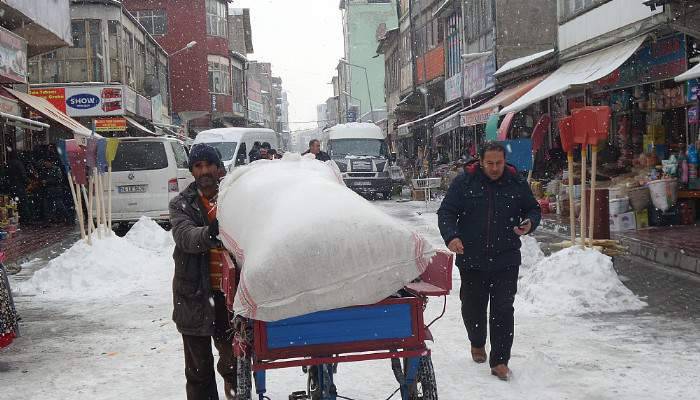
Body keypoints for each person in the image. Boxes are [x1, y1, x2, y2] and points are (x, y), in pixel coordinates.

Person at [437, 141, 541, 381]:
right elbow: (447, 212)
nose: (495, 168)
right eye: (490, 164)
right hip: (472, 258)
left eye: (499, 163)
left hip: (506, 258)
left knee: (503, 309)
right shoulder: (465, 182)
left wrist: (530, 223)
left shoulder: (516, 183)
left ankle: (500, 360)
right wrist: (452, 237)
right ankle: (477, 341)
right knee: (473, 307)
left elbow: (533, 210)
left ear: (505, 161)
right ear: (481, 162)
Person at [169, 144, 237, 400]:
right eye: (198, 166)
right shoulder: (181, 205)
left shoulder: (235, 198)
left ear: (219, 167)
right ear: (192, 171)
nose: (205, 170)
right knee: (199, 372)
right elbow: (185, 236)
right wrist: (210, 232)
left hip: (229, 298)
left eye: (209, 164)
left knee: (234, 366)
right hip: (194, 297)